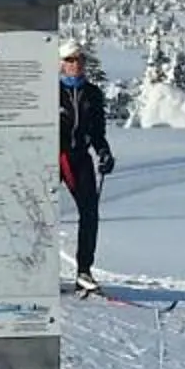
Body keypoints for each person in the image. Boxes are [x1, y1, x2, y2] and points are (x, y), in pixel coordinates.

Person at [58, 39, 115, 296]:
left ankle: (83, 271)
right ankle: (32, 273)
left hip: (79, 157)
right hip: (52, 157)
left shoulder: (93, 94)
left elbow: (97, 132)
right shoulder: (50, 90)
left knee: (90, 212)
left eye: (80, 59)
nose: (76, 64)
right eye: (70, 59)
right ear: (61, 63)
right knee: (36, 214)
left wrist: (104, 152)